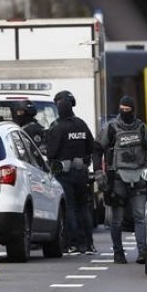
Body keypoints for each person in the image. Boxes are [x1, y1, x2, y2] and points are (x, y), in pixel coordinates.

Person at [93, 95, 147, 264]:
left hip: (138, 178)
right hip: (117, 179)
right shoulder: (112, 128)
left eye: (128, 110)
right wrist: (99, 172)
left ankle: (141, 253)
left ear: (133, 110)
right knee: (120, 218)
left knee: (139, 217)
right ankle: (119, 253)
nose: (125, 112)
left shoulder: (141, 128)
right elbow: (97, 149)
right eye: (123, 109)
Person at [47, 91, 95, 255]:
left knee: (70, 208)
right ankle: (88, 244)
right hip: (81, 172)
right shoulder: (81, 124)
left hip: (65, 174)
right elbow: (91, 146)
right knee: (84, 208)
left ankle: (73, 244)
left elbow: (51, 152)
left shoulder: (58, 127)